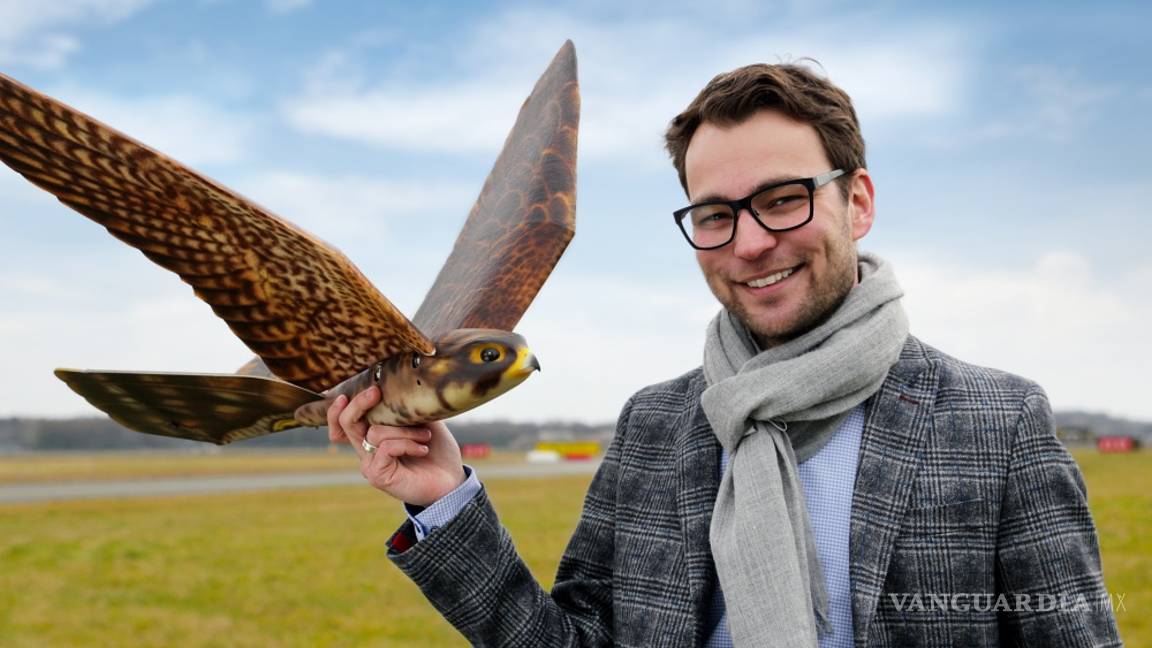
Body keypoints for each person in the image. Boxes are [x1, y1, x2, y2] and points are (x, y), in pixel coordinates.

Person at [327, 63, 1121, 647]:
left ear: (860, 202)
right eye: (715, 215)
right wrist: (443, 499)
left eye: (784, 199)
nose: (750, 243)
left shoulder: (999, 422)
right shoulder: (657, 425)